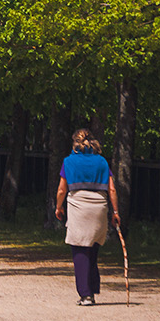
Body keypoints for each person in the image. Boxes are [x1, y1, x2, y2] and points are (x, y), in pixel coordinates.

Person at [54, 128, 121, 306]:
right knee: (93, 248)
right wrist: (115, 212)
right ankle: (92, 288)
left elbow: (62, 189)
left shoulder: (69, 161)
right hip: (99, 207)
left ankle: (85, 294)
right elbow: (112, 189)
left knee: (80, 249)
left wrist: (58, 207)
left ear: (75, 143)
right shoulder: (102, 162)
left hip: (78, 206)